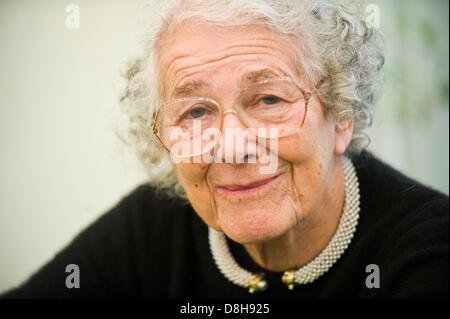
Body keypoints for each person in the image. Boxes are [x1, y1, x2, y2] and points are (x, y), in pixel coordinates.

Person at [2, 0, 448, 299]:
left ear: (341, 115)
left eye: (269, 99)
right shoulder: (153, 228)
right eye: (195, 112)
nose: (232, 147)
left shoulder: (427, 252)